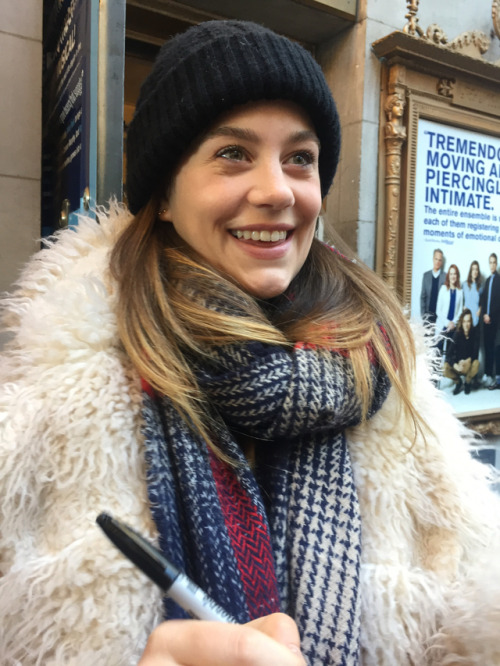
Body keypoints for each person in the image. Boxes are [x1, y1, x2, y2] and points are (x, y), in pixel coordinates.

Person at [1, 20, 499, 666]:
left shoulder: (389, 382)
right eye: (233, 153)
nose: (276, 191)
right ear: (167, 196)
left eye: (301, 158)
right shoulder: (48, 411)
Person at [443, 309, 479, 395]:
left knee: (477, 363)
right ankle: (458, 382)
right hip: (458, 365)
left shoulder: (474, 333)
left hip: (468, 364)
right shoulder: (457, 335)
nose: (466, 325)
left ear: (471, 322)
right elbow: (448, 355)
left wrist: (467, 361)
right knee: (445, 368)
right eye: (464, 322)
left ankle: (467, 382)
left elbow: (475, 354)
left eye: (468, 322)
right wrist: (456, 365)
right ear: (461, 323)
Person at [480, 252, 500, 390]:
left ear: (497, 264)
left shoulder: (499, 280)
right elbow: (484, 299)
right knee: (487, 347)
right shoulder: (487, 280)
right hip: (485, 320)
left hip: (494, 320)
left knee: (494, 348)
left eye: (494, 262)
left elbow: (498, 303)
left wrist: (490, 315)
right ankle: (487, 374)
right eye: (490, 262)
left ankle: (494, 376)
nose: (492, 265)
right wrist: (483, 314)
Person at [434, 264, 464, 352]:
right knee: (437, 351)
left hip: (453, 328)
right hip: (442, 325)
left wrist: (453, 324)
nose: (453, 276)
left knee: (450, 353)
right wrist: (447, 323)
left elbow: (460, 311)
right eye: (451, 274)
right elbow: (438, 310)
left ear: (457, 276)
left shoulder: (460, 292)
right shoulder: (443, 289)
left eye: (455, 274)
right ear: (448, 276)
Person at [420, 248, 446, 324]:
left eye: (440, 260)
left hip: (440, 316)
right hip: (428, 315)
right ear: (433, 259)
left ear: (442, 262)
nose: (437, 262)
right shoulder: (426, 276)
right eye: (436, 259)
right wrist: (423, 316)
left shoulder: (445, 276)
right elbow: (423, 297)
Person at [462, 260, 482, 327]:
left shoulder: (480, 286)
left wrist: (480, 309)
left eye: (476, 269)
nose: (475, 271)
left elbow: (483, 302)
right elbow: (460, 300)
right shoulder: (464, 285)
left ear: (478, 271)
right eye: (473, 269)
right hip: (466, 319)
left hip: (476, 318)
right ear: (470, 271)